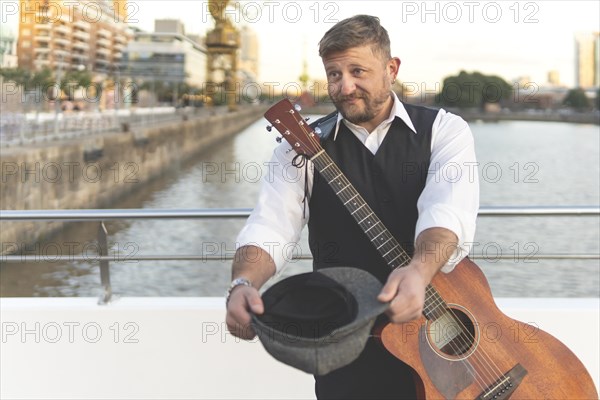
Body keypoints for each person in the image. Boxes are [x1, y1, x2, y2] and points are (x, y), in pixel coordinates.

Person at [225, 15, 479, 399]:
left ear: (391, 69)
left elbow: (446, 213)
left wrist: (419, 271)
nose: (344, 86)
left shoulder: (444, 130)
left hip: (440, 323)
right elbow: (270, 227)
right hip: (343, 336)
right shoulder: (299, 147)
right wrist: (244, 282)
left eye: (357, 70)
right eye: (334, 74)